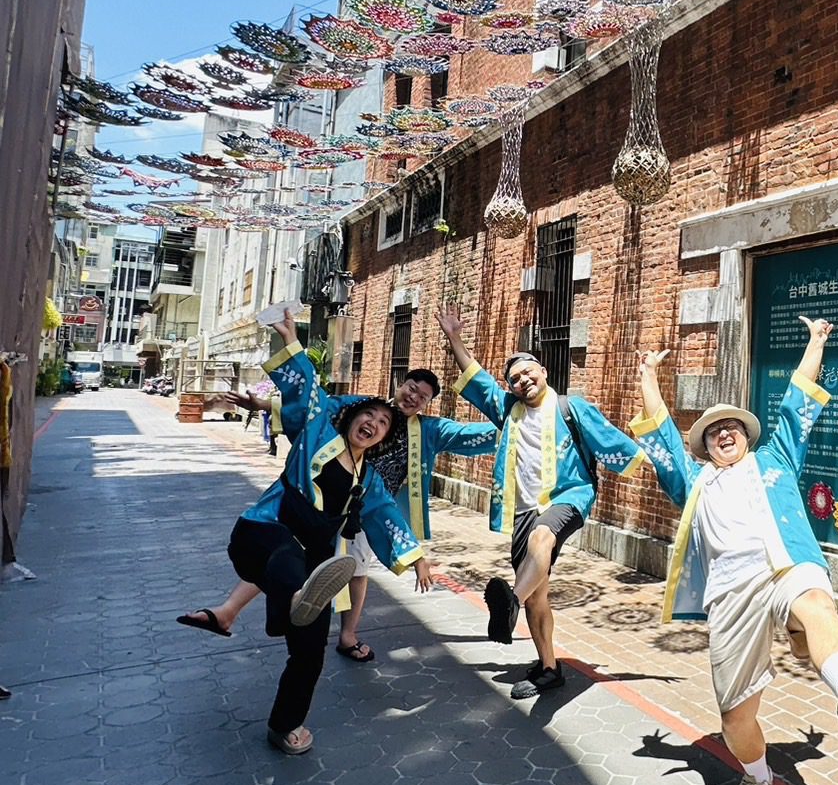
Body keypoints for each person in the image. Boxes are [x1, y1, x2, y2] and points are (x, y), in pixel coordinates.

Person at [631, 316, 838, 785]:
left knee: (816, 604)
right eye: (713, 432)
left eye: (731, 425)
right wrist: (647, 374)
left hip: (784, 563)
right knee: (735, 715)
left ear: (747, 435)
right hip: (729, 593)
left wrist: (817, 341)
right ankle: (758, 779)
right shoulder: (692, 481)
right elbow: (662, 434)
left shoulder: (776, 456)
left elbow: (797, 401)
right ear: (705, 447)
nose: (723, 432)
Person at [179, 364, 501, 662]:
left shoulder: (428, 431)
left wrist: (513, 427)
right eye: (411, 387)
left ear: (426, 405)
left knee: (355, 572)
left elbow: (470, 436)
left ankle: (346, 635)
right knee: (282, 554)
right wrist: (264, 406)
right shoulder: (366, 407)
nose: (413, 397)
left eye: (422, 397)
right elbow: (318, 408)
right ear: (400, 384)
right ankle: (231, 610)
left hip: (366, 510)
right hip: (321, 500)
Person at [226, 310, 431, 754]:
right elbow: (309, 390)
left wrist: (415, 556)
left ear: (380, 441)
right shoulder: (320, 430)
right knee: (284, 556)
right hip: (266, 530)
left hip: (317, 557)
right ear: (353, 416)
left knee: (310, 652)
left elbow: (386, 517)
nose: (375, 423)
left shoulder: (367, 480)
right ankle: (286, 599)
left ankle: (285, 725)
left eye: (383, 425)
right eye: (370, 415)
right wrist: (291, 341)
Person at [438, 304, 646, 699]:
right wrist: (454, 337)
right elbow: (476, 377)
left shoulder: (571, 407)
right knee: (539, 593)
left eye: (528, 372)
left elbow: (611, 440)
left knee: (541, 539)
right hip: (522, 510)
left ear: (544, 371)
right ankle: (549, 667)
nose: (522, 381)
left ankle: (509, 603)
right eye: (514, 379)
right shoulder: (507, 410)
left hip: (568, 497)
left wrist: (655, 459)